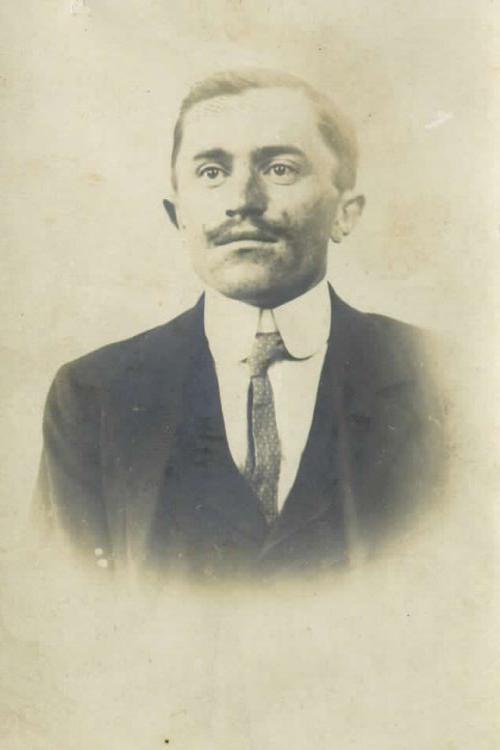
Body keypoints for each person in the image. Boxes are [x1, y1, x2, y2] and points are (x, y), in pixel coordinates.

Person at [33, 69, 446, 582]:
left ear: (345, 213)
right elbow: (67, 602)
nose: (242, 200)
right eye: (211, 172)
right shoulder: (93, 394)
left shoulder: (443, 379)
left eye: (279, 168)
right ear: (179, 215)